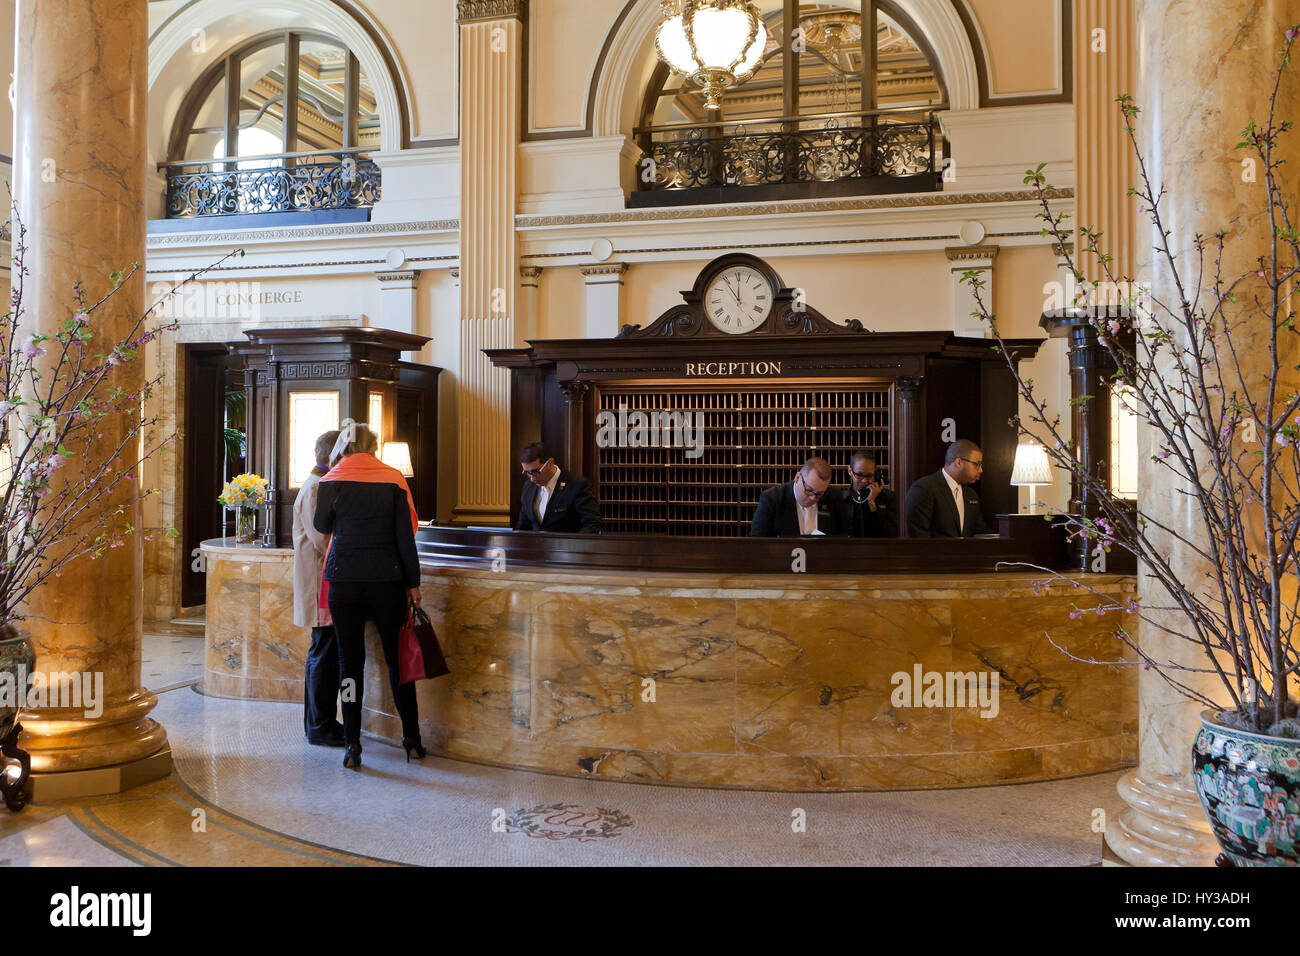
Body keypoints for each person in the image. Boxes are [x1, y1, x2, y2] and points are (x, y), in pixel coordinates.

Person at [313, 422, 424, 770]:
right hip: (387, 580)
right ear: (374, 448)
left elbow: (321, 526)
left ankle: (353, 744)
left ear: (345, 448)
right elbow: (406, 538)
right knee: (398, 662)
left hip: (344, 581)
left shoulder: (331, 480)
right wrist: (414, 584)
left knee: (350, 665)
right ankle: (412, 737)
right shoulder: (393, 479)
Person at [294, 429, 343, 747]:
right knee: (323, 654)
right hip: (319, 583)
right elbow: (323, 540)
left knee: (323, 652)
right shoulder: (315, 488)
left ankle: (319, 722)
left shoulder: (318, 484)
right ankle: (319, 726)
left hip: (321, 581)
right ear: (332, 457)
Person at [904, 439, 993, 538]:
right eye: (977, 464)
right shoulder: (924, 488)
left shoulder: (971, 495)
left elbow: (979, 531)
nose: (981, 470)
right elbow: (918, 536)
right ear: (958, 462)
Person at [515, 441, 602, 533]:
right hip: (536, 546)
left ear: (550, 463)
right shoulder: (528, 487)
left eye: (536, 472)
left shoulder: (577, 485)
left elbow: (592, 524)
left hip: (567, 546)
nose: (532, 478)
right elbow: (523, 526)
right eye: (527, 473)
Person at [750, 457, 850, 536]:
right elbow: (758, 542)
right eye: (809, 490)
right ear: (797, 478)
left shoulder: (834, 496)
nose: (813, 498)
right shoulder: (772, 499)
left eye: (820, 493)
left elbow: (845, 536)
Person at [841, 449, 897, 538]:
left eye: (869, 476)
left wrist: (872, 504)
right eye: (859, 475)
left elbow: (891, 534)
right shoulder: (842, 498)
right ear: (850, 471)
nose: (864, 481)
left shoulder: (888, 497)